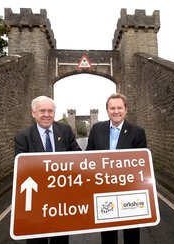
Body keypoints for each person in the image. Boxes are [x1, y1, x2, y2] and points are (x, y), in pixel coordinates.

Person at [14, 95, 81, 244]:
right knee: (37, 241)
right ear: (33, 113)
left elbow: (77, 157)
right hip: (37, 203)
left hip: (61, 202)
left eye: (50, 111)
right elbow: (21, 169)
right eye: (42, 111)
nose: (46, 115)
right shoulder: (22, 137)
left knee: (61, 240)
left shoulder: (65, 131)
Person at [86, 93, 147, 244]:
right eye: (112, 108)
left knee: (131, 233)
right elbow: (88, 157)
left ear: (126, 109)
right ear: (107, 110)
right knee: (107, 234)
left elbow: (140, 164)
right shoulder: (97, 129)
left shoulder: (138, 132)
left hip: (129, 192)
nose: (116, 111)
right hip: (104, 190)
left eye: (119, 107)